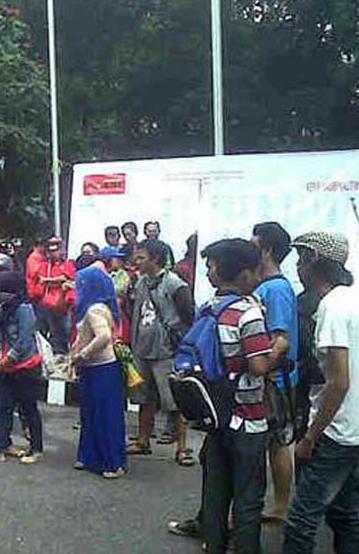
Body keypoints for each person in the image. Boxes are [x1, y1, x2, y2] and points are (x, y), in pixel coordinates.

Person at [283, 231, 359, 554]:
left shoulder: (333, 308)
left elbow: (339, 382)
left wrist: (311, 436)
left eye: (299, 259)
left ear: (313, 260)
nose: (296, 268)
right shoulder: (356, 301)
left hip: (335, 431)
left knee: (300, 523)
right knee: (345, 516)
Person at [199, 238, 278, 554]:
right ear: (245, 274)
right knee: (248, 499)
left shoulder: (209, 309)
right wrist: (277, 352)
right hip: (248, 419)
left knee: (215, 495)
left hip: (217, 416)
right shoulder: (248, 314)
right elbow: (258, 366)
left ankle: (214, 545)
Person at [127, 239, 194, 465]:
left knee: (176, 400)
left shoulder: (175, 284)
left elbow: (188, 315)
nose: (136, 262)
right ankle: (143, 440)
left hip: (166, 352)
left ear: (155, 259)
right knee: (144, 398)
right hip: (142, 349)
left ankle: (182, 448)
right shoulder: (139, 283)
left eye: (141, 257)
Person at [251, 222, 299, 522]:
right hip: (270, 378)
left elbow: (280, 339)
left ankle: (281, 505)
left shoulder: (276, 289)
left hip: (274, 381)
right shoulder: (266, 286)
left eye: (254, 243)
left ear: (266, 250)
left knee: (278, 443)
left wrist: (261, 366)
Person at [0, 271, 44, 464]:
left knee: (29, 408)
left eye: (0, 290)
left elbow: (25, 338)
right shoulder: (1, 309)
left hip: (26, 366)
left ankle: (36, 449)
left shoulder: (24, 309)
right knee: (4, 406)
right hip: (6, 366)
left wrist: (10, 357)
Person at [71, 266, 127, 478]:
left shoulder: (93, 309)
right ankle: (93, 457)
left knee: (102, 415)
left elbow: (102, 337)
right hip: (100, 368)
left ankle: (111, 462)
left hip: (99, 367)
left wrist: (81, 355)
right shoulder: (104, 307)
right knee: (96, 414)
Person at [38, 237, 75, 355]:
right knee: (54, 331)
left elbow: (65, 278)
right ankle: (58, 354)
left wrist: (49, 280)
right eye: (52, 250)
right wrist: (53, 281)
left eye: (56, 250)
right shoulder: (46, 266)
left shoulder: (67, 264)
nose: (54, 253)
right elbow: (41, 280)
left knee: (66, 330)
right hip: (50, 304)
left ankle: (68, 352)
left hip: (65, 304)